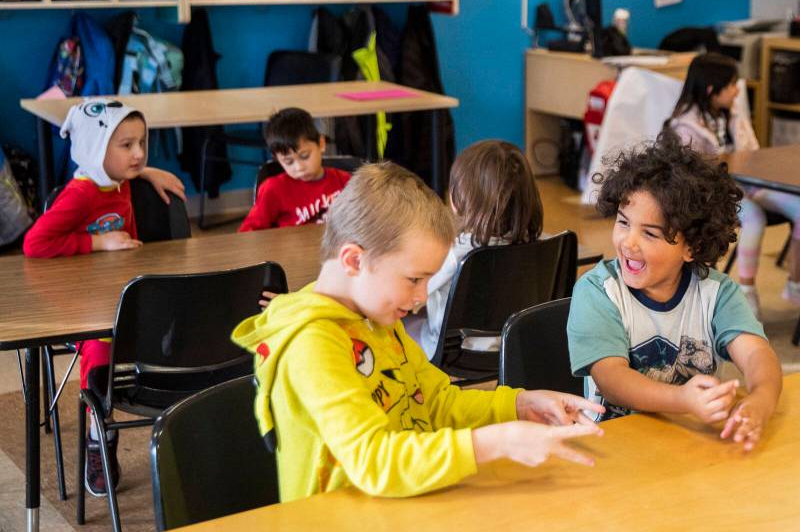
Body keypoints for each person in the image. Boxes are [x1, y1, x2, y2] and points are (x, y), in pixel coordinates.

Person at [232, 162, 603, 501]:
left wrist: (519, 404)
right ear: (353, 260)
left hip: (397, 512)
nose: (422, 297)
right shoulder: (312, 344)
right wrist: (495, 442)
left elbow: (436, 401)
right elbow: (373, 460)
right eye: (414, 279)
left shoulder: (375, 318)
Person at [567, 132, 782, 452]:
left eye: (650, 234)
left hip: (689, 445)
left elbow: (755, 354)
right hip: (614, 448)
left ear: (692, 247)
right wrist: (682, 399)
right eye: (624, 223)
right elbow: (611, 380)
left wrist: (760, 401)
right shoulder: (599, 293)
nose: (628, 242)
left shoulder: (716, 293)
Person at [23, 99, 184, 497]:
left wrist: (148, 172)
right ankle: (99, 435)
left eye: (142, 143)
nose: (139, 153)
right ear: (97, 150)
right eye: (127, 145)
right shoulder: (80, 195)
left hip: (122, 294)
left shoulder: (119, 181)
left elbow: (122, 164)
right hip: (80, 306)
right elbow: (35, 243)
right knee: (101, 354)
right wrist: (96, 242)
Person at [665, 52, 800, 318]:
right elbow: (696, 179)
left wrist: (737, 123)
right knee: (754, 217)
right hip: (715, 196)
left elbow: (752, 153)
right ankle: (747, 293)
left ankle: (797, 285)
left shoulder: (732, 116)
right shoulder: (685, 127)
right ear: (712, 90)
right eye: (732, 85)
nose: (737, 91)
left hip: (748, 184)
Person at [404, 139, 543, 359]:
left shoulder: (452, 254)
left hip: (456, 351)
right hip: (518, 347)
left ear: (457, 200)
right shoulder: (544, 246)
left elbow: (412, 293)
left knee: (397, 325)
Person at [239, 107, 352, 232]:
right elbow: (248, 232)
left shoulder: (345, 181)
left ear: (321, 144)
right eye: (289, 162)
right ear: (277, 158)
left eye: (305, 156)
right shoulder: (274, 189)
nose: (299, 168)